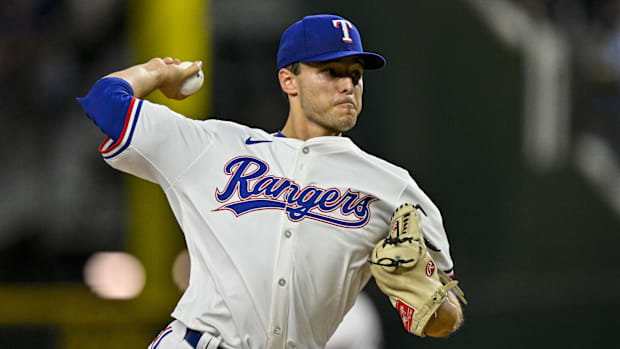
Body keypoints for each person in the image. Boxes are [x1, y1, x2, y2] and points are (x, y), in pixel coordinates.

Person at [77, 14, 464, 349]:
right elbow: (105, 102)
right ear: (288, 80)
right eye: (331, 71)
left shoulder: (392, 187)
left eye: (356, 74)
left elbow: (443, 319)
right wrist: (159, 72)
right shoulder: (216, 146)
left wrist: (426, 297)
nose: (348, 85)